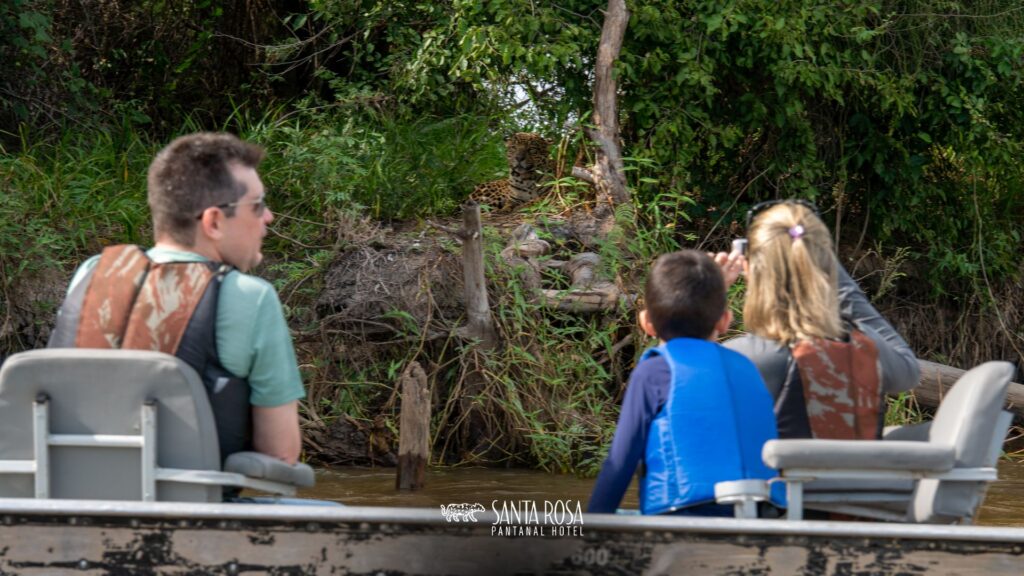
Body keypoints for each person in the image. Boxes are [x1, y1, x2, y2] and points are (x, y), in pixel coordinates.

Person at [49, 132, 304, 468]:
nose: (268, 216)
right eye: (257, 205)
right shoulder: (250, 298)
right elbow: (281, 454)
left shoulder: (91, 273)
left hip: (70, 506)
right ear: (213, 221)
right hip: (193, 513)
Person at [587, 250, 784, 516]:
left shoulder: (654, 371)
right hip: (762, 514)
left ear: (646, 323)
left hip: (683, 514)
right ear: (725, 320)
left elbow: (620, 461)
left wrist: (591, 525)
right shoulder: (747, 367)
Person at [720, 199, 920, 439]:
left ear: (750, 269)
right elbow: (909, 370)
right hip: (864, 477)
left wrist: (708, 295)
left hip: (778, 476)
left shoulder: (743, 358)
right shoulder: (868, 349)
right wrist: (822, 259)